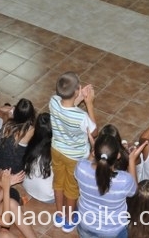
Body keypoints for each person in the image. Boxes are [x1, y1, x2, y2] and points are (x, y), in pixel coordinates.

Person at [50, 71, 97, 232]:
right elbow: (94, 132)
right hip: (75, 157)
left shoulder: (53, 101)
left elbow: (67, 105)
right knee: (71, 187)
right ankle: (69, 220)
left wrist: (79, 97)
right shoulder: (81, 116)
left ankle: (59, 215)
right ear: (76, 90)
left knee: (58, 182)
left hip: (56, 150)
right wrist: (89, 103)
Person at [75, 134, 145, 238]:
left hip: (86, 223)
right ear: (118, 156)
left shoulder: (80, 167)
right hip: (113, 230)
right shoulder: (124, 180)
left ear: (94, 152)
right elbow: (134, 191)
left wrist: (94, 151)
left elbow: (88, 164)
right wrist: (131, 161)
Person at [0, 98, 36, 173]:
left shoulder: (7, 124)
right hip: (13, 169)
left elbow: (1, 110)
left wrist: (10, 111)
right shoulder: (31, 130)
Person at [22, 112, 54, 204]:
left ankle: (33, 194)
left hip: (27, 187)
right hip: (49, 198)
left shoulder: (30, 142)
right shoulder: (55, 151)